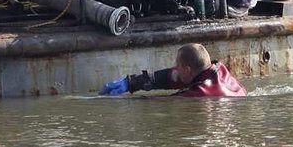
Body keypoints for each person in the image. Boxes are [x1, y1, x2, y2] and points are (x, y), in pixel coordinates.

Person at [98, 43, 247, 97]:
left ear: (188, 69)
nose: (175, 68)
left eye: (178, 65)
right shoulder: (217, 69)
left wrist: (128, 102)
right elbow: (171, 77)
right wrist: (131, 83)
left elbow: (168, 102)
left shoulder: (201, 93)